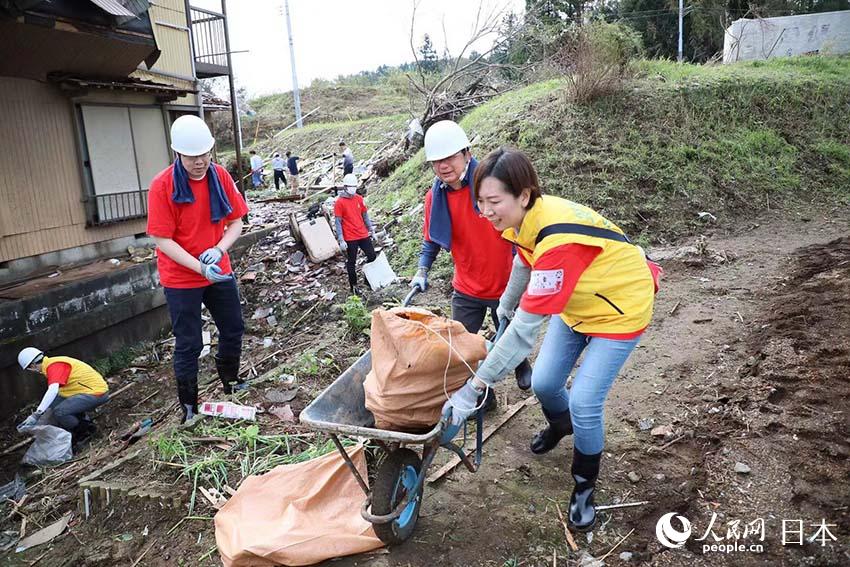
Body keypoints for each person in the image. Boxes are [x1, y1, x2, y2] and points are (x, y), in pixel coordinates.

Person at [443, 147, 658, 532]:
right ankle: (561, 426)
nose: (486, 212)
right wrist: (506, 306)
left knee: (585, 400)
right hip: (578, 304)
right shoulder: (526, 219)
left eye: (494, 202)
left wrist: (476, 385)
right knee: (543, 382)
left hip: (620, 310)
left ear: (523, 195)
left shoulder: (559, 241)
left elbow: (526, 332)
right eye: (480, 202)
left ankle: (583, 484)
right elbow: (524, 259)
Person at [411, 120, 533, 402]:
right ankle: (484, 397)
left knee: (510, 331)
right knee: (461, 348)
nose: (443, 166)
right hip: (467, 286)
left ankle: (520, 362)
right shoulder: (435, 198)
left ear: (467, 153)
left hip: (503, 281)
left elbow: (520, 226)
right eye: (436, 161)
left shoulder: (490, 189)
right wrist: (421, 269)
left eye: (450, 157)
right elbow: (431, 236)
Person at [147, 115, 249, 423]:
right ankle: (189, 405)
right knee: (189, 341)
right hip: (180, 276)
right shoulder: (162, 186)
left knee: (233, 327)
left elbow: (236, 222)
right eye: (193, 157)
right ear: (177, 153)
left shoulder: (219, 176)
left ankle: (230, 380)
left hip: (217, 267)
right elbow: (162, 239)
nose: (200, 161)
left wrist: (218, 250)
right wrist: (198, 268)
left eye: (205, 154)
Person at [16, 347, 109, 444]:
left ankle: (85, 431)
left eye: (29, 369)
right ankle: (80, 421)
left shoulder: (54, 366)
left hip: (96, 393)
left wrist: (36, 415)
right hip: (85, 390)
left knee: (60, 412)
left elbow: (52, 390)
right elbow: (53, 397)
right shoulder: (51, 364)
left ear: (32, 365)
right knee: (54, 403)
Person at [334, 173, 376, 295]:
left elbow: (365, 216)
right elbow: (338, 222)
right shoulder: (339, 202)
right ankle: (354, 287)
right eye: (350, 186)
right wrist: (341, 239)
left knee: (372, 256)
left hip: (363, 234)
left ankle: (368, 279)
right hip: (350, 237)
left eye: (354, 186)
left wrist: (371, 230)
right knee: (351, 262)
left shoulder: (359, 199)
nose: (353, 188)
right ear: (345, 187)